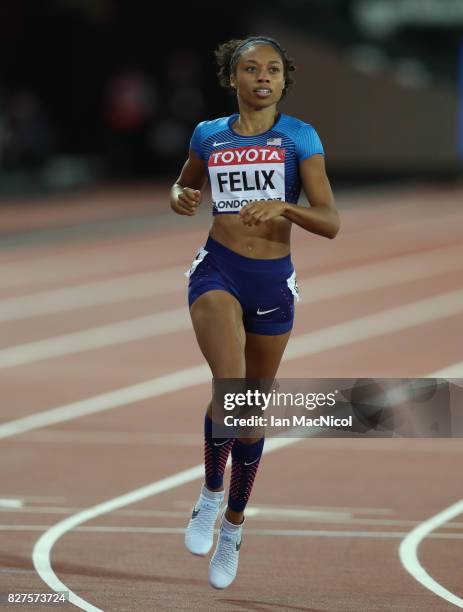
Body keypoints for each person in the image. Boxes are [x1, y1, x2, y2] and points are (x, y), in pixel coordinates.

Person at [169, 35, 340, 589]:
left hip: (272, 279)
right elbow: (184, 187)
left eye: (272, 69)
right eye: (250, 68)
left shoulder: (299, 138)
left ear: (284, 81)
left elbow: (330, 220)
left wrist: (285, 205)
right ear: (233, 78)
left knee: (249, 411)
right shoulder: (208, 134)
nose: (261, 76)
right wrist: (181, 197)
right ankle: (209, 495)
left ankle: (234, 526)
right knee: (231, 386)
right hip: (217, 270)